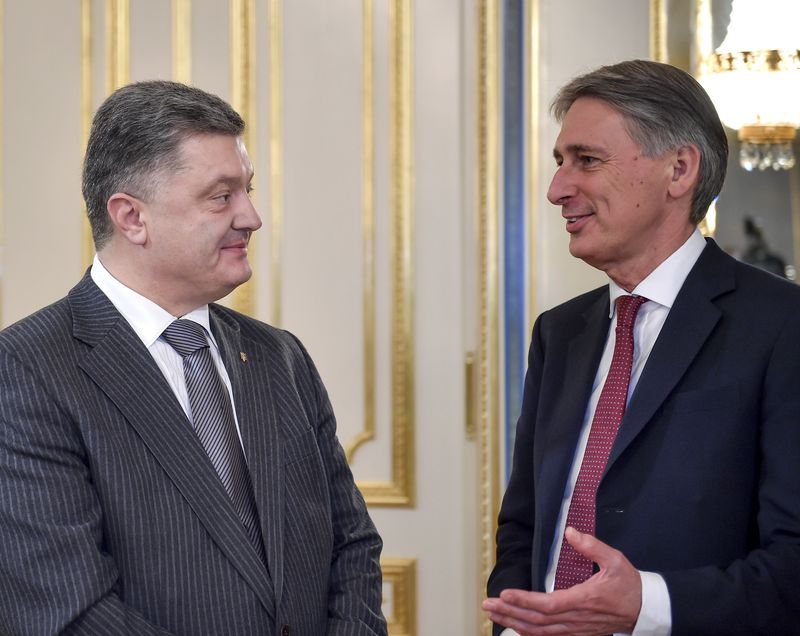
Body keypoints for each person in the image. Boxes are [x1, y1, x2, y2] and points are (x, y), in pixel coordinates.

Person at [0, 81, 386, 635]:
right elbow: (68, 612)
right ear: (131, 218)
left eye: (248, 190)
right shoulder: (25, 370)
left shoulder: (281, 356)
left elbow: (351, 546)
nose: (251, 217)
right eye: (221, 195)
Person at [483, 60, 800, 635]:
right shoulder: (559, 333)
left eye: (588, 160)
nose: (558, 189)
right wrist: (516, 621)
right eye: (560, 163)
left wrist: (644, 605)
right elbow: (525, 528)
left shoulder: (783, 327)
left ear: (679, 169)